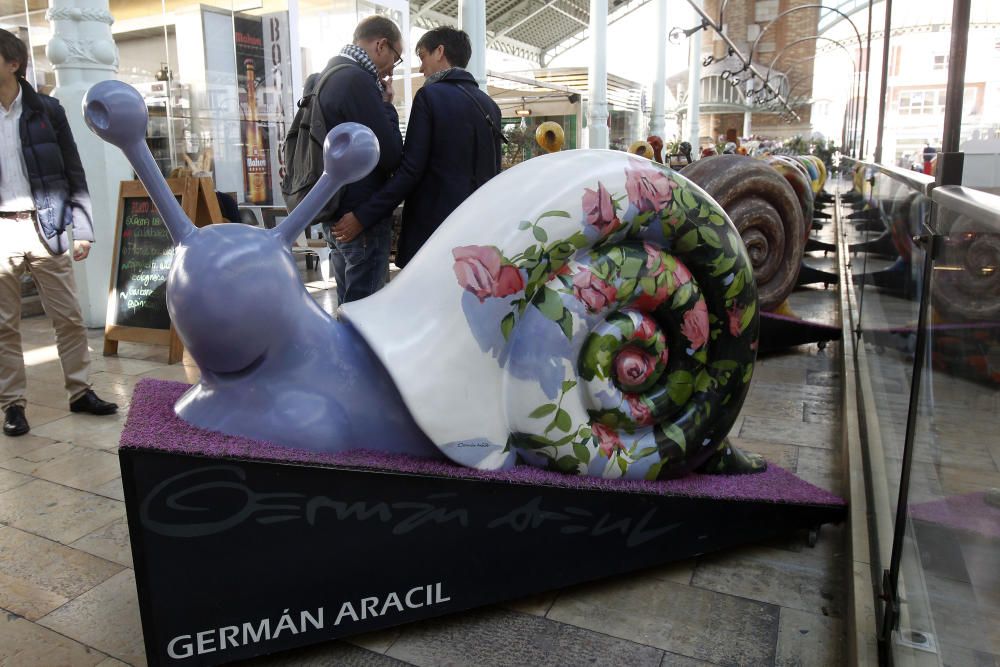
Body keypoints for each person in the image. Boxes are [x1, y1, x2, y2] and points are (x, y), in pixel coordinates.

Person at [0, 28, 117, 437]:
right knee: (3, 325)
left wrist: (81, 227)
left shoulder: (47, 111)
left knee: (67, 316)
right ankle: (12, 405)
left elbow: (73, 171)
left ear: (13, 64)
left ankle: (81, 391)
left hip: (43, 225)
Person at [334, 26, 502, 268]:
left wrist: (363, 216)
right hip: (478, 230)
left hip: (434, 232)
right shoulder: (489, 105)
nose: (421, 68)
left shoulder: (430, 97)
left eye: (422, 57)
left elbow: (410, 171)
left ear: (439, 51)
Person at [317, 16, 404, 304]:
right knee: (366, 317)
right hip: (360, 219)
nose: (392, 67)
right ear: (381, 45)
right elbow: (390, 155)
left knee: (348, 309)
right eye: (396, 56)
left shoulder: (326, 76)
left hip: (333, 212)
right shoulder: (357, 80)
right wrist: (388, 108)